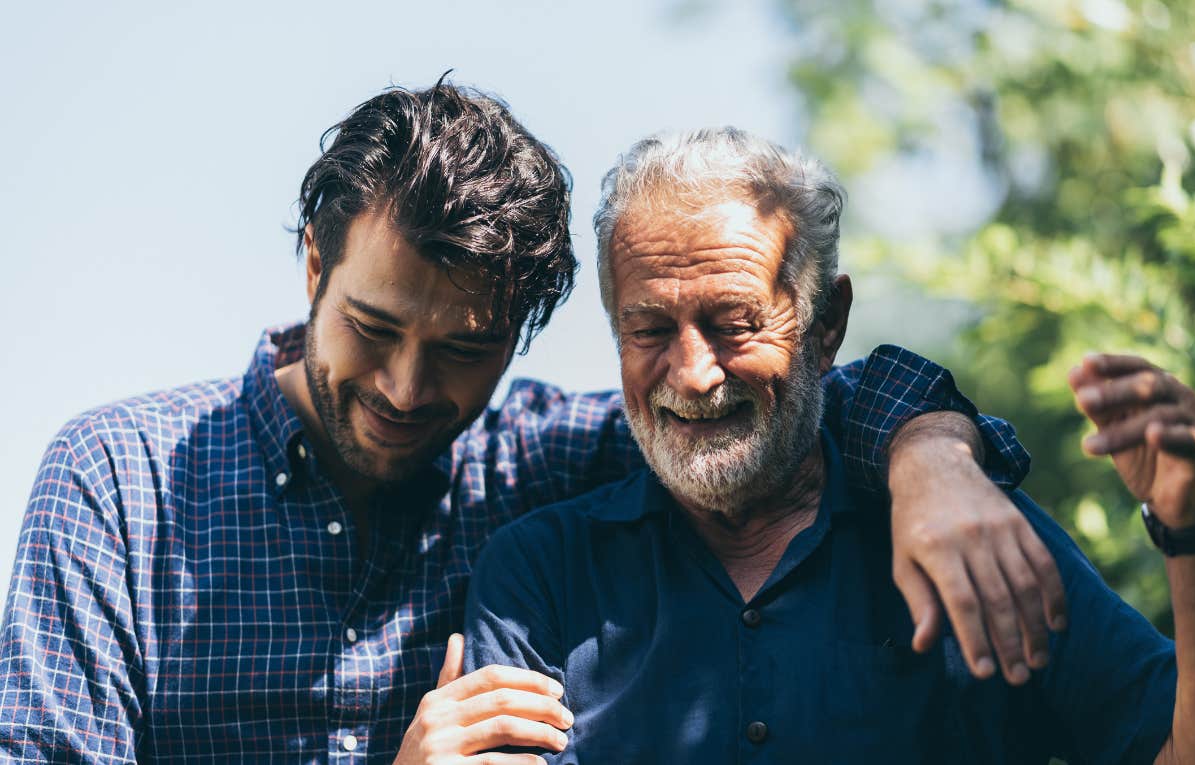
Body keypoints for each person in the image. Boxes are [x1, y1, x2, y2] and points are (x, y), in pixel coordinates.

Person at [0, 79, 1063, 764]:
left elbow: (782, 398)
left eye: (464, 349)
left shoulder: (536, 466)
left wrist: (933, 456)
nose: (410, 390)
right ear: (314, 268)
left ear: (521, 336)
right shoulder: (116, 484)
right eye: (373, 328)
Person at [463, 127, 1195, 763]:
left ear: (827, 325)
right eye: (648, 328)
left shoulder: (970, 527)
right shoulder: (539, 574)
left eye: (735, 324)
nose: (692, 372)